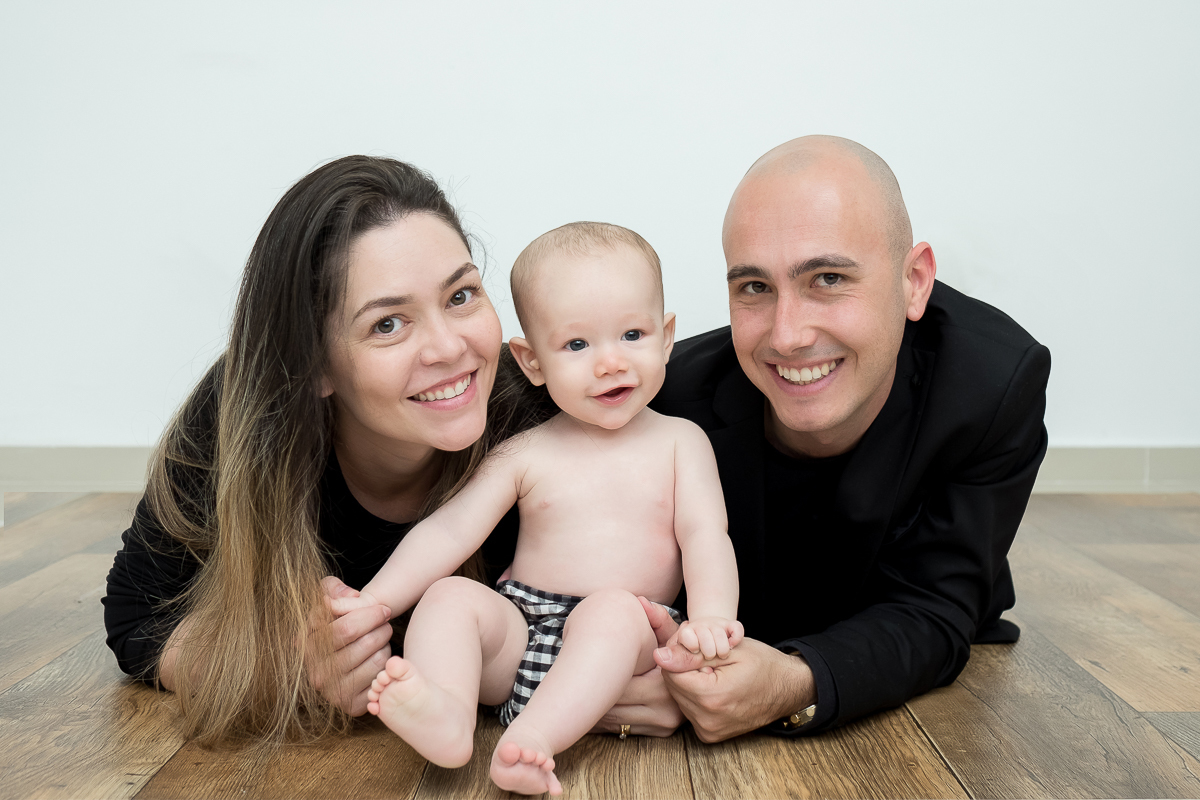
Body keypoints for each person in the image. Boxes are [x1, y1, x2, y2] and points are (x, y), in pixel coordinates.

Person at [102, 156, 541, 746]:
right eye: (388, 324)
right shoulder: (240, 416)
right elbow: (137, 616)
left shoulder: (539, 402)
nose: (448, 346)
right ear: (313, 365)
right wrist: (286, 666)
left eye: (461, 295)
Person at [643, 135, 1051, 741]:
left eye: (828, 278)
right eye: (754, 287)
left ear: (915, 281)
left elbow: (935, 608)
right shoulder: (667, 401)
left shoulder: (992, 383)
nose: (787, 336)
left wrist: (793, 682)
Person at [334, 222, 741, 795]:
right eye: (577, 345)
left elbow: (706, 536)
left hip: (628, 643)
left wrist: (711, 618)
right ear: (531, 362)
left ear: (667, 337)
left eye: (632, 335)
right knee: (449, 595)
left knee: (611, 612)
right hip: (523, 631)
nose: (610, 362)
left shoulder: (681, 442)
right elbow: (450, 531)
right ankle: (447, 714)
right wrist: (374, 603)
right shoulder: (524, 452)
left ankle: (532, 740)